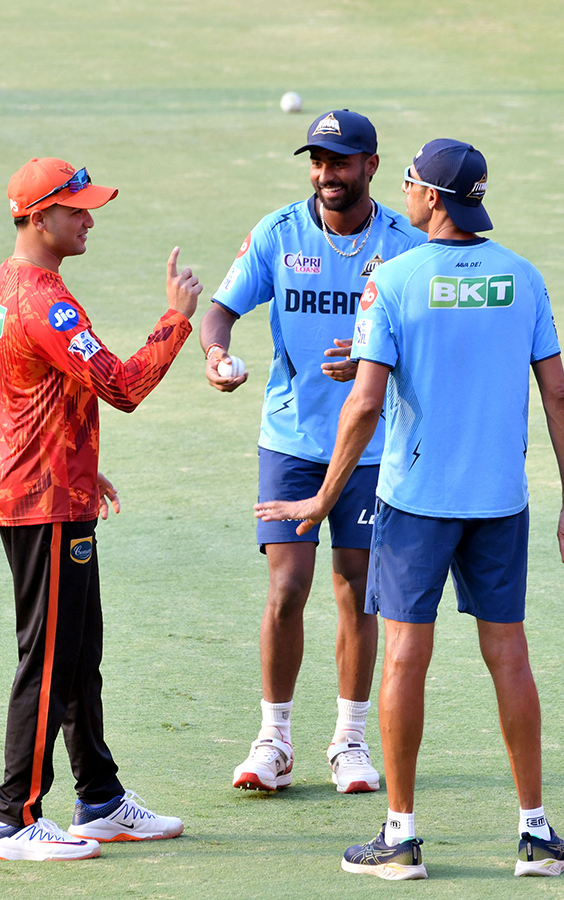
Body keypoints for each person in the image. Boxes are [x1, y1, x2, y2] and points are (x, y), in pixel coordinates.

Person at [256, 139, 564, 879]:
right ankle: (536, 834)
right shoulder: (524, 276)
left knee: (407, 653)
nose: (405, 193)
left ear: (432, 199)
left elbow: (366, 400)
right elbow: (559, 394)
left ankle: (401, 836)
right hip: (501, 501)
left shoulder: (396, 279)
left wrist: (320, 496)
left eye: (410, 183)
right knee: (509, 653)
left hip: (414, 504)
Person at [0, 157, 200, 860]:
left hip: (44, 487)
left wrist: (81, 462)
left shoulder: (2, 286)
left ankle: (99, 798)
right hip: (43, 504)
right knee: (48, 660)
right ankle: (16, 819)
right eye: (77, 211)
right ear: (39, 217)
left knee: (77, 654)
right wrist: (177, 319)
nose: (90, 219)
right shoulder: (47, 301)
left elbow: (21, 393)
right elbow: (122, 385)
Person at [200, 110, 426, 795]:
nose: (326, 174)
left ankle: (349, 742)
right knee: (287, 587)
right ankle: (273, 741)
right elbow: (221, 308)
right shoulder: (279, 233)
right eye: (318, 162)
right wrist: (217, 352)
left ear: (370, 167)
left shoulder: (406, 244)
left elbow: (427, 342)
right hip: (291, 440)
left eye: (340, 162)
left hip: (370, 447)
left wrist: (370, 361)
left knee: (357, 591)